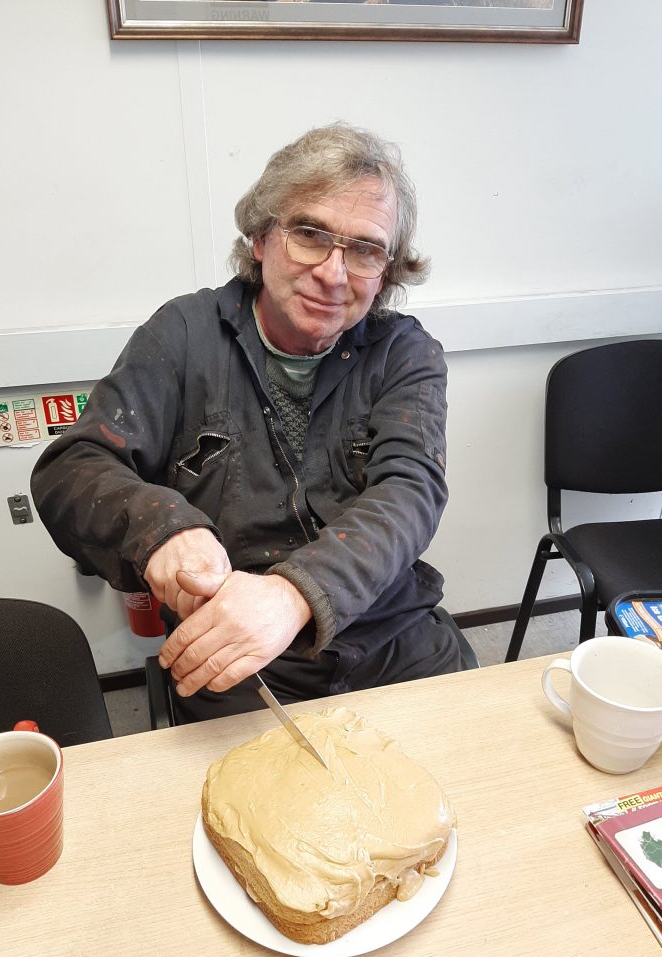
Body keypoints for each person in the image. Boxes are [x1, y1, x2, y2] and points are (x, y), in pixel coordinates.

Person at [31, 122, 466, 722]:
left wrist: (294, 594)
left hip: (389, 632)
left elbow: (411, 489)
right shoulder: (182, 335)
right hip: (239, 658)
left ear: (387, 270)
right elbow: (70, 470)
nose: (335, 274)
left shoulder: (405, 352)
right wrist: (163, 528)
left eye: (365, 249)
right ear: (261, 238)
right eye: (310, 234)